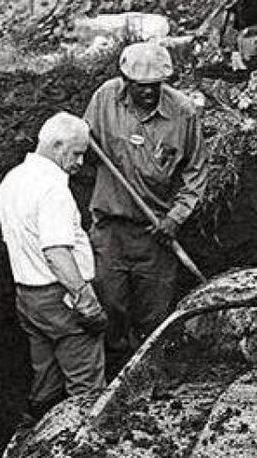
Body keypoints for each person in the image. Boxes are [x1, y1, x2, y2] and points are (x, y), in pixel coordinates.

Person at [83, 41, 209, 369]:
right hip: (110, 232)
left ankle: (150, 377)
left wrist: (175, 217)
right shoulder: (104, 99)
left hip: (156, 237)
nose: (150, 93)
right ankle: (112, 378)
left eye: (156, 86)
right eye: (141, 87)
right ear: (126, 81)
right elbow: (84, 150)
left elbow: (196, 172)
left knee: (153, 320)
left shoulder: (183, 113)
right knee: (111, 311)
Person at [0, 112, 106, 421]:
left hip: (29, 297)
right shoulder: (53, 189)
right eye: (77, 153)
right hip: (62, 299)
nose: (81, 162)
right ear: (57, 146)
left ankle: (36, 436)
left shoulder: (13, 179)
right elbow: (57, 252)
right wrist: (86, 301)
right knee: (87, 389)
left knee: (46, 379)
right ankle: (85, 446)